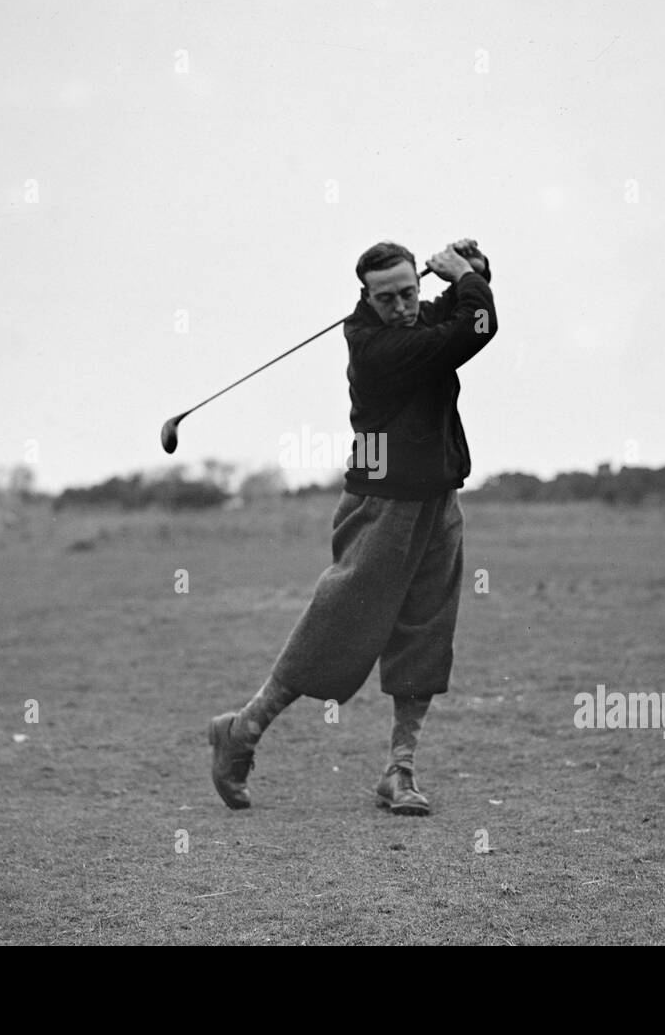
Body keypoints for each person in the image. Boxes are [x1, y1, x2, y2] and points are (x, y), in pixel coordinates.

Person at [208, 238, 498, 814]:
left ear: (418, 283)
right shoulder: (376, 347)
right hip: (382, 504)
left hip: (438, 499)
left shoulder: (415, 325)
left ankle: (400, 769)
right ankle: (241, 730)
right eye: (386, 298)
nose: (402, 306)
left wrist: (477, 272)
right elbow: (475, 327)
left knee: (426, 632)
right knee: (338, 624)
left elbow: (464, 316)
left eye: (410, 292)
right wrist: (465, 277)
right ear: (364, 298)